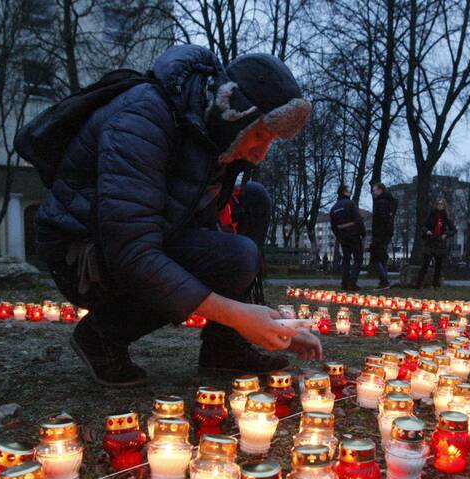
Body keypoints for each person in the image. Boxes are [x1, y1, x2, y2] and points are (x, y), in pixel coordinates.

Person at [25, 45, 321, 386]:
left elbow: (203, 225)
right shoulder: (143, 119)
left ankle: (223, 348)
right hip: (84, 253)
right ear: (235, 112)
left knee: (253, 201)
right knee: (236, 256)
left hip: (145, 237)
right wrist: (239, 315)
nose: (260, 155)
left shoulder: (215, 133)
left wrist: (269, 326)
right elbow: (132, 251)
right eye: (260, 135)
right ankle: (102, 334)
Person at [329, 184, 366, 291]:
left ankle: (344, 283)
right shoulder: (350, 204)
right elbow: (357, 219)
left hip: (342, 236)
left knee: (346, 259)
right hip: (353, 234)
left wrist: (339, 236)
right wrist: (363, 233)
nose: (350, 192)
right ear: (344, 192)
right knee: (358, 259)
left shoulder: (334, 208)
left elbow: (333, 226)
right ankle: (352, 282)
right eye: (348, 190)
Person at [416, 197, 455, 289]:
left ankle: (435, 284)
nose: (440, 205)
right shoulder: (431, 215)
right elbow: (424, 226)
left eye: (441, 204)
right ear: (436, 205)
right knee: (425, 264)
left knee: (438, 265)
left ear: (444, 206)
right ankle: (419, 283)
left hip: (440, 242)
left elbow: (453, 230)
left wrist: (446, 234)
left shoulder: (446, 218)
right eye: (438, 204)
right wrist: (427, 231)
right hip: (430, 241)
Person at [369, 182, 398, 289]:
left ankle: (384, 281)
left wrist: (377, 233)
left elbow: (381, 220)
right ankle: (384, 281)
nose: (373, 192)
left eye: (375, 190)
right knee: (382, 257)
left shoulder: (381, 203)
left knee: (375, 257)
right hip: (386, 233)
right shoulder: (389, 202)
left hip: (380, 234)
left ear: (380, 190)